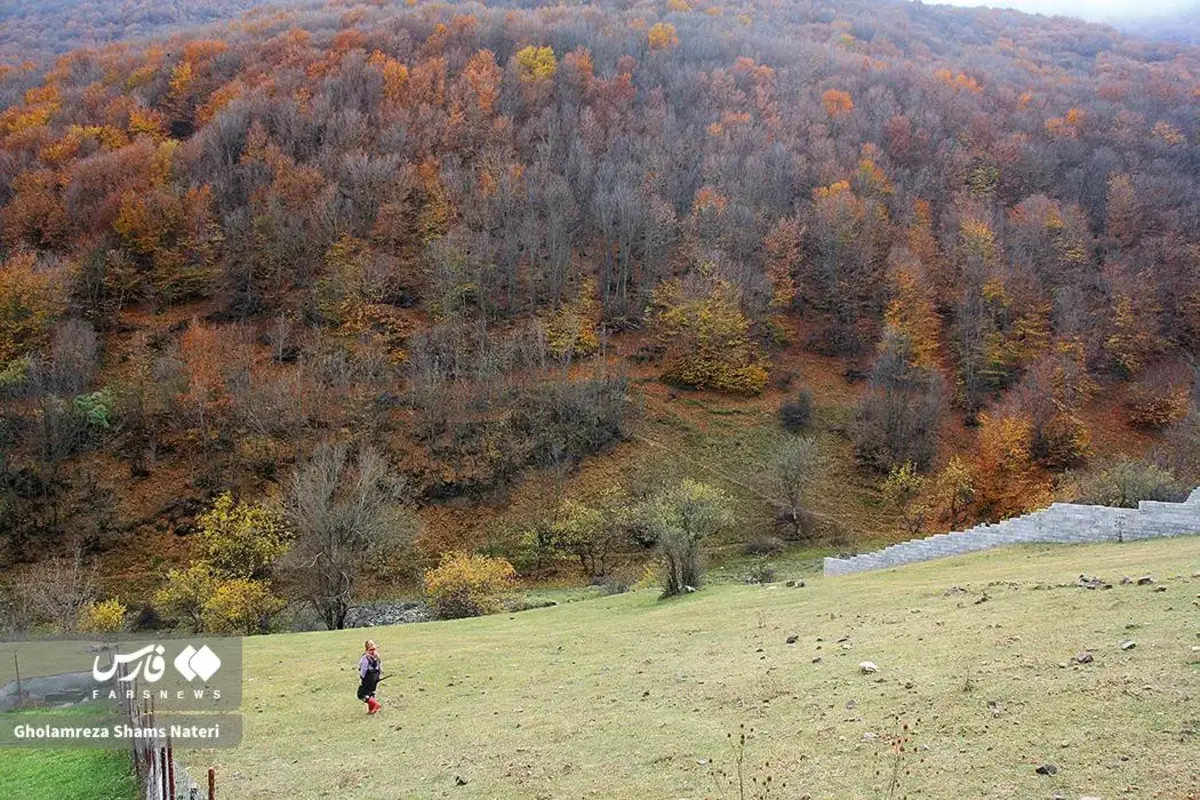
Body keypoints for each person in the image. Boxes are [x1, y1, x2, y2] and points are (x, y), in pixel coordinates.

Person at [357, 639, 382, 714]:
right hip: (376, 676)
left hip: (368, 677)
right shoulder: (376, 656)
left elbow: (364, 669)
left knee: (361, 694)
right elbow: (380, 666)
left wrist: (361, 678)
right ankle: (371, 710)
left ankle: (375, 704)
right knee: (371, 692)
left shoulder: (365, 657)